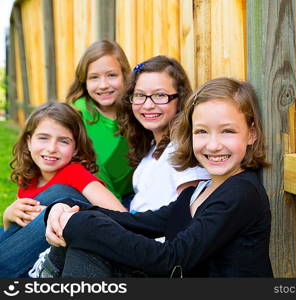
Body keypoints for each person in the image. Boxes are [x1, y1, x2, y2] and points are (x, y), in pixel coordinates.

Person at [42, 77, 273, 277]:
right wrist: (69, 207)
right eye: (201, 131)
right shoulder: (198, 191)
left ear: (251, 134)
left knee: (89, 239)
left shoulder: (242, 192)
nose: (213, 145)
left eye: (228, 131)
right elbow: (137, 223)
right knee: (87, 243)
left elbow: (172, 260)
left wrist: (83, 225)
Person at [0, 102, 126, 278]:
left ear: (75, 148)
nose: (51, 148)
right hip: (27, 257)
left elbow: (121, 215)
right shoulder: (28, 177)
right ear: (29, 142)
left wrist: (61, 215)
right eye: (43, 138)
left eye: (63, 141)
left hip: (58, 254)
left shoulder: (75, 174)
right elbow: (15, 235)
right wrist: (8, 215)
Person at [116, 55, 210, 212]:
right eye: (140, 95)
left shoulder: (182, 149)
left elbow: (187, 215)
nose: (148, 105)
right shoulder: (153, 146)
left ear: (180, 99)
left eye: (159, 95)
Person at [66, 39, 133, 201]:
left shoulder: (136, 111)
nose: (103, 85)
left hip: (130, 196)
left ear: (125, 76)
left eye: (111, 75)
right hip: (87, 198)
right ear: (84, 81)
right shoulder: (77, 113)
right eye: (94, 77)